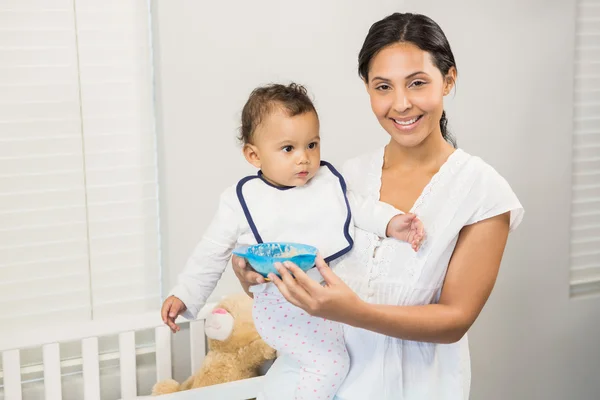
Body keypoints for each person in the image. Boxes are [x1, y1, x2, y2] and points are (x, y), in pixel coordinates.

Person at [231, 12, 524, 400]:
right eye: (383, 86)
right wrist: (257, 276)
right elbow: (302, 279)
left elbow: (455, 320)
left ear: (448, 80)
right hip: (313, 383)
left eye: (417, 83)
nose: (400, 104)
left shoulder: (483, 192)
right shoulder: (336, 180)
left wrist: (353, 311)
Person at [160, 83, 425, 400]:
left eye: (312, 145)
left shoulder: (325, 184)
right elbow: (210, 252)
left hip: (325, 302)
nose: (304, 158)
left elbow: (360, 208)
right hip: (282, 304)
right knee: (331, 364)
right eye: (289, 149)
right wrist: (185, 295)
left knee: (331, 360)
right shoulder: (241, 200)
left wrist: (394, 222)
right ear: (253, 154)